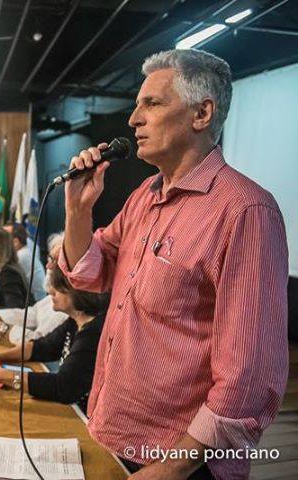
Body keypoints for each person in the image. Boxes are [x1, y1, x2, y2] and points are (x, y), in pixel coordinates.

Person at [59, 50, 288, 479]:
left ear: (202, 113)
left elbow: (249, 374)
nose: (133, 119)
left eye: (153, 103)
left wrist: (173, 468)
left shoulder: (245, 210)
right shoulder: (145, 194)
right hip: (114, 433)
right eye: (137, 104)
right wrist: (77, 212)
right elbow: (89, 273)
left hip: (180, 463)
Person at [0, 266, 110, 413]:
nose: (51, 292)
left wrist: (3, 376)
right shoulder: (75, 321)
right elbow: (41, 348)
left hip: (85, 419)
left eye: (58, 288)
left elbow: (64, 387)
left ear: (80, 292)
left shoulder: (93, 333)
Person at [11, 225, 46, 301]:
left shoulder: (21, 256)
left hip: (36, 300)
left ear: (16, 242)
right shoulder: (26, 250)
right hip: (39, 296)